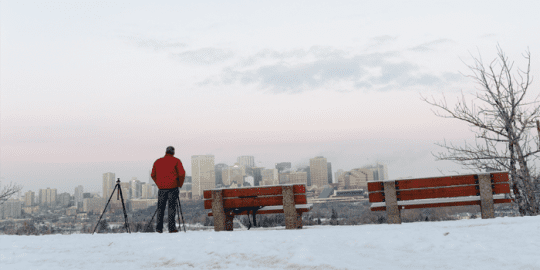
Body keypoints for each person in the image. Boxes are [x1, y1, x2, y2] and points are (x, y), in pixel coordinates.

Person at [151, 146, 186, 233]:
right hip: (173, 188)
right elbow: (182, 174)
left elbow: (153, 175)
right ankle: (171, 228)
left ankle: (159, 228)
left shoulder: (157, 161)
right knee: (172, 208)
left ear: (166, 152)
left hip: (162, 188)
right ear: (173, 152)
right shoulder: (176, 161)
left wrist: (159, 183)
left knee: (160, 208)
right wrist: (179, 184)